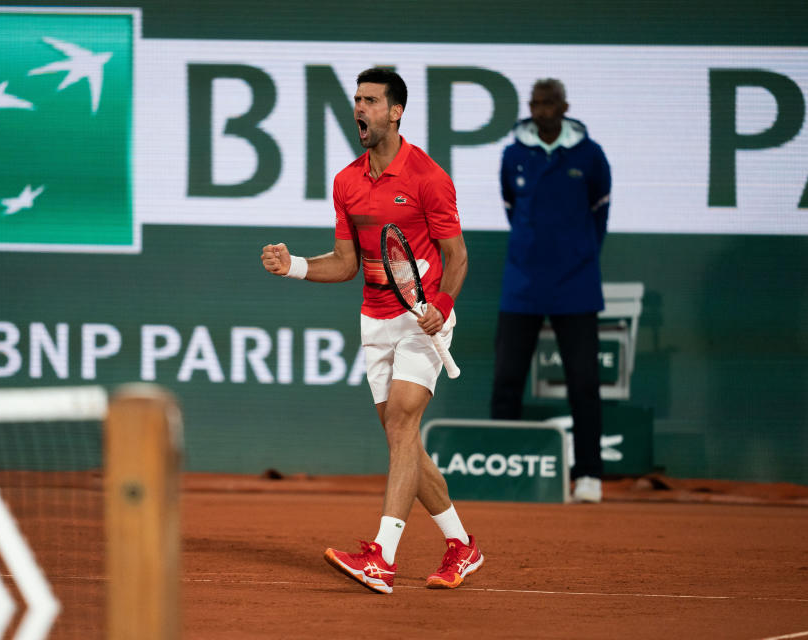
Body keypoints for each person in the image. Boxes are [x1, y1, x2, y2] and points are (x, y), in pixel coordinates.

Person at [261, 68, 481, 594]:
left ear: (395, 111)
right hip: (375, 320)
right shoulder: (345, 182)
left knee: (403, 425)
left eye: (370, 100)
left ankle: (382, 555)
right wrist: (293, 265)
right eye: (356, 99)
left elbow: (457, 257)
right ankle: (462, 546)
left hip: (423, 318)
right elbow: (344, 263)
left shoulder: (429, 178)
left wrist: (442, 305)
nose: (359, 108)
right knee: (403, 441)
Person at [490, 78, 612, 503]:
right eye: (535, 103)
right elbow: (512, 207)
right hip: (522, 284)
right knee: (507, 379)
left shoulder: (590, 156)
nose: (541, 110)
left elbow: (599, 213)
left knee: (583, 381)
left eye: (549, 103)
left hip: (575, 285)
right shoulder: (512, 155)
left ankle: (590, 476)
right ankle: (501, 470)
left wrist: (577, 254)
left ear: (564, 106)